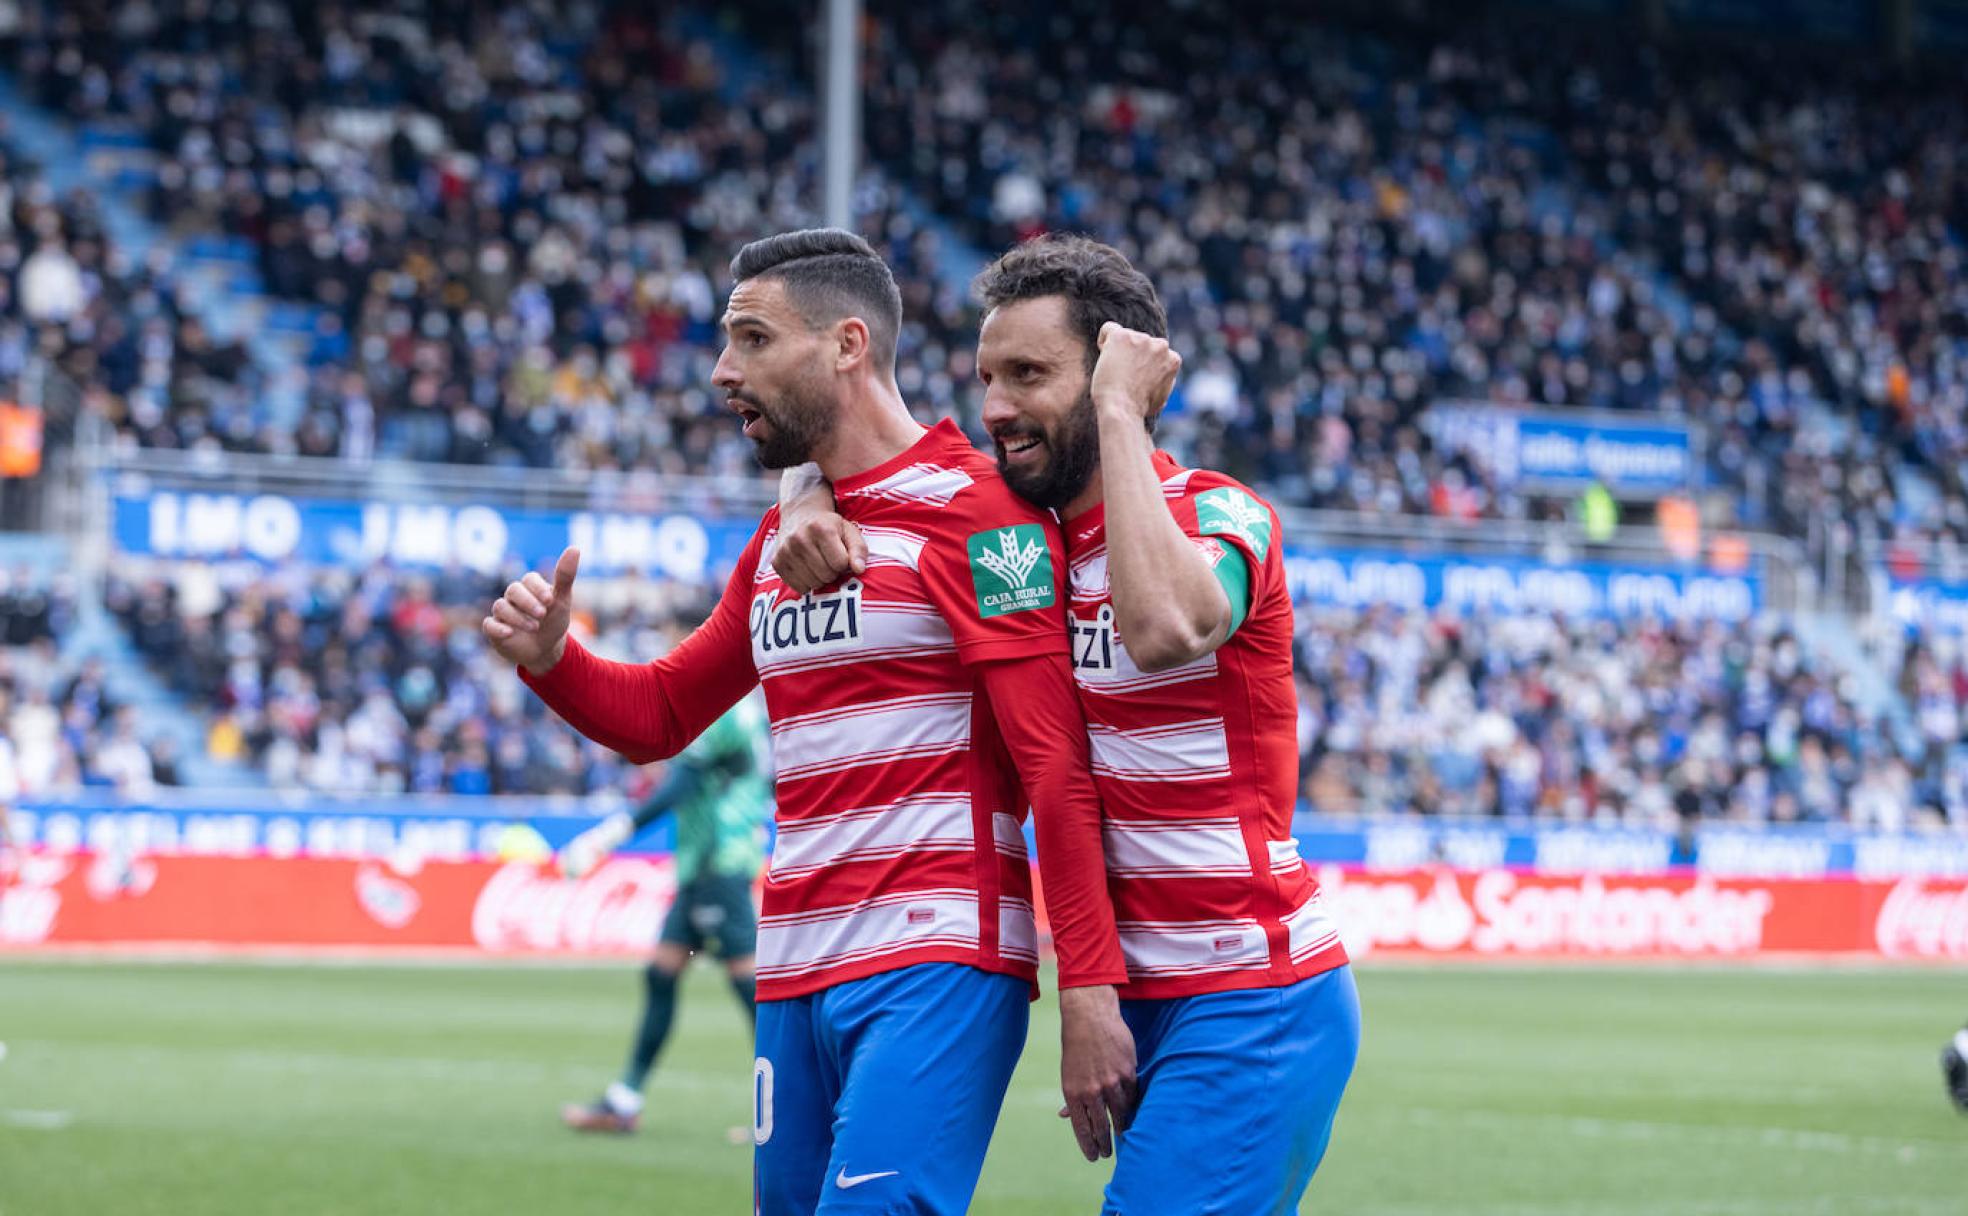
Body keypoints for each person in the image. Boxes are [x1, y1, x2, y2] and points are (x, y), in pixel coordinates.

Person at [484, 229, 1134, 1215]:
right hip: (794, 961)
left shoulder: (983, 517)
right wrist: (553, 662)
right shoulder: (780, 535)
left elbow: (1054, 766)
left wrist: (1089, 988)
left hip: (936, 955)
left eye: (751, 339)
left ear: (847, 345)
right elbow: (661, 713)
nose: (720, 371)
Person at [773, 234, 1360, 1213]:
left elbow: (1167, 627)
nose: (997, 406)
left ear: (1120, 374)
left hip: (1250, 991)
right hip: (1136, 993)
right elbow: (877, 454)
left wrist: (1124, 415)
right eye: (987, 376)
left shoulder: (1224, 516)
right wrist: (803, 492)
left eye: (1032, 374)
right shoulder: (1018, 542)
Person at [558, 695, 772, 1134]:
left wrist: (609, 834)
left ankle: (786, 1111)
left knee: (751, 988)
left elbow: (684, 784)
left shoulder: (724, 708)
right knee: (662, 973)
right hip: (701, 866)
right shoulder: (745, 713)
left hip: (721, 862)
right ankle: (624, 1102)